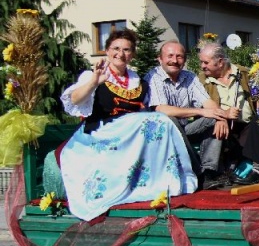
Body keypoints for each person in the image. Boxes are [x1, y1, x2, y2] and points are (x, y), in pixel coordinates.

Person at [59, 29, 197, 221]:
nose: (120, 54)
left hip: (130, 135)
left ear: (132, 54)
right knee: (156, 120)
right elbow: (74, 100)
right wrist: (94, 82)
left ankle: (163, 180)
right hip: (101, 132)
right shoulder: (93, 75)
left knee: (161, 121)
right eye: (115, 48)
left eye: (126, 49)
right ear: (107, 51)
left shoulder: (137, 81)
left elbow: (145, 112)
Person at [144, 40, 234, 190]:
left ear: (184, 60)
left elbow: (207, 102)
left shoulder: (189, 77)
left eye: (179, 57)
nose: (174, 60)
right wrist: (201, 111)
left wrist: (221, 117)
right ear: (160, 59)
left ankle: (209, 172)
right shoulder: (153, 76)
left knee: (214, 117)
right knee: (169, 120)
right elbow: (161, 109)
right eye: (170, 56)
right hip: (161, 134)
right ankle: (198, 171)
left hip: (185, 130)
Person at [198, 42, 259, 185]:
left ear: (220, 62)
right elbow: (202, 106)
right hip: (223, 125)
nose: (202, 66)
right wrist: (223, 115)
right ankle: (221, 171)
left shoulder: (245, 74)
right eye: (201, 62)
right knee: (216, 128)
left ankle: (258, 172)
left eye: (206, 62)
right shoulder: (202, 80)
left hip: (247, 126)